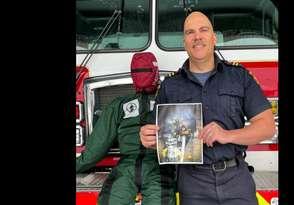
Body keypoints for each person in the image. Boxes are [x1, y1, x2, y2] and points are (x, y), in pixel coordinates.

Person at [139, 12, 276, 205]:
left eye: (204, 30)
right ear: (184, 41)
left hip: (236, 179)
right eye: (190, 32)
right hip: (193, 184)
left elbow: (267, 127)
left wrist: (227, 135)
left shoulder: (239, 77)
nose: (197, 37)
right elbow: (160, 137)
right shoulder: (170, 85)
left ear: (213, 38)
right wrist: (148, 138)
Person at [76, 52, 176, 205]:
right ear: (156, 73)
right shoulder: (171, 103)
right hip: (159, 168)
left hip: (127, 167)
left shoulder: (118, 105)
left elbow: (96, 148)